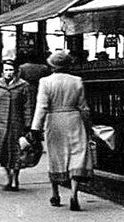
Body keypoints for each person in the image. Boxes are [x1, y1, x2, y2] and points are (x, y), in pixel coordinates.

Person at [31, 49, 94, 211]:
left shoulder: (45, 82)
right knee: (77, 155)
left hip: (54, 121)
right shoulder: (77, 81)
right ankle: (74, 193)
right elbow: (84, 107)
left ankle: (55, 193)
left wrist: (35, 128)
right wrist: (88, 125)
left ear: (51, 66)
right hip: (74, 119)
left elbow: (41, 107)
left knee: (56, 156)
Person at [0, 59, 33, 191]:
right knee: (2, 152)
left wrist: (28, 125)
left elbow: (27, 107)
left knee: (16, 152)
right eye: (6, 70)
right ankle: (8, 178)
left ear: (16, 71)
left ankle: (15, 179)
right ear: (2, 72)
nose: (8, 73)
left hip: (16, 125)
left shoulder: (23, 86)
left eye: (11, 70)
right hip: (0, 124)